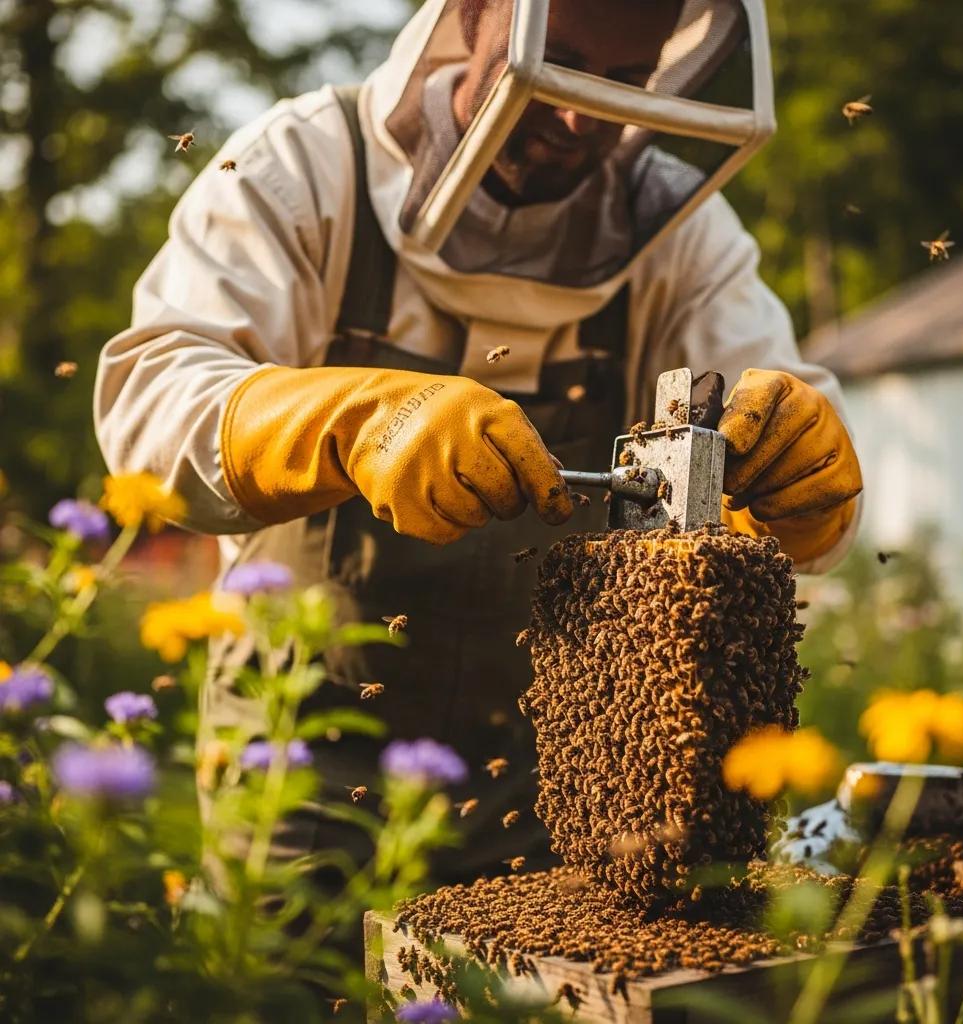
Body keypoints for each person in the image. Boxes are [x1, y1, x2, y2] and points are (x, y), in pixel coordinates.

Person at [94, 0, 862, 879]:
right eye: (558, 64)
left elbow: (814, 512)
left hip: (564, 789)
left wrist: (803, 483)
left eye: (623, 83)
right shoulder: (305, 167)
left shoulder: (679, 240)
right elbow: (149, 405)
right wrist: (350, 422)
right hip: (302, 772)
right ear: (471, 14)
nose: (581, 119)